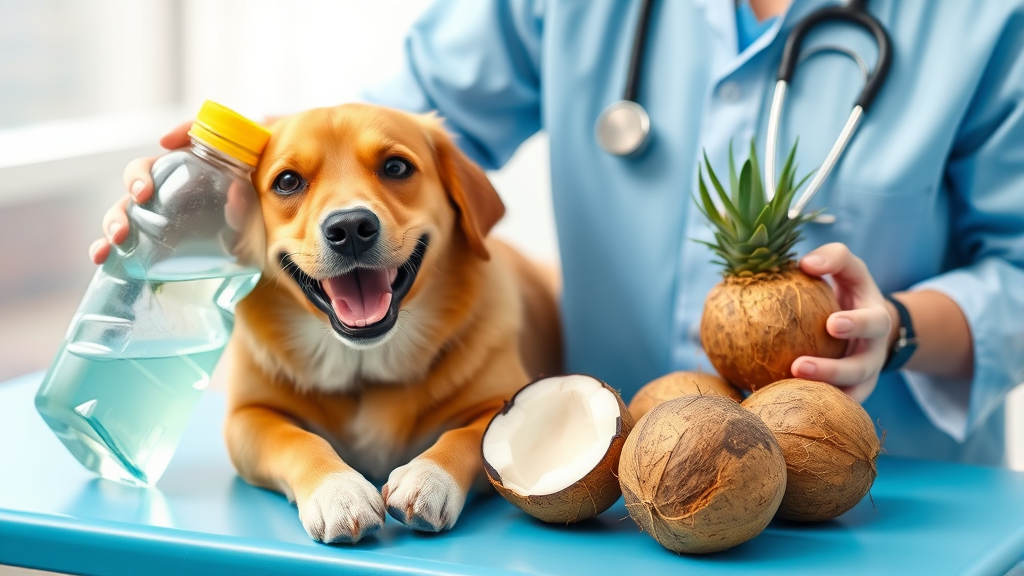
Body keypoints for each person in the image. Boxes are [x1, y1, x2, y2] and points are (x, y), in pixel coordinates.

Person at [92, 0, 1024, 466]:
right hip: (607, 479)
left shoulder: (987, 21)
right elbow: (388, 142)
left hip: (887, 494)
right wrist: (220, 188)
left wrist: (895, 328)